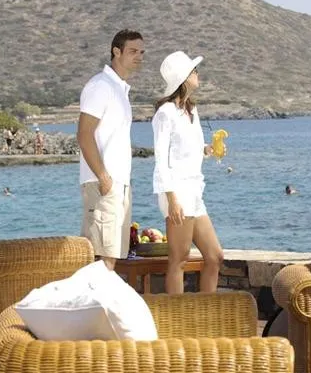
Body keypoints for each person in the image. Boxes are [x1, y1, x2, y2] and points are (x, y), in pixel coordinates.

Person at [152, 51, 224, 294]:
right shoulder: (165, 113)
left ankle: (205, 312)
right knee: (179, 258)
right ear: (183, 79)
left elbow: (189, 149)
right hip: (177, 191)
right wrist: (171, 199)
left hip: (194, 192)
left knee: (215, 256)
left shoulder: (191, 111)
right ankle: (177, 315)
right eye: (193, 71)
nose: (197, 74)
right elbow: (161, 159)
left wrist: (208, 149)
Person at [77, 29, 144, 271]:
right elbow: (84, 134)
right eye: (133, 51)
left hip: (118, 184)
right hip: (103, 183)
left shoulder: (120, 90)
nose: (139, 57)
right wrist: (103, 177)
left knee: (110, 258)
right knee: (101, 259)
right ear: (116, 51)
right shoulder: (100, 86)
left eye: (142, 52)